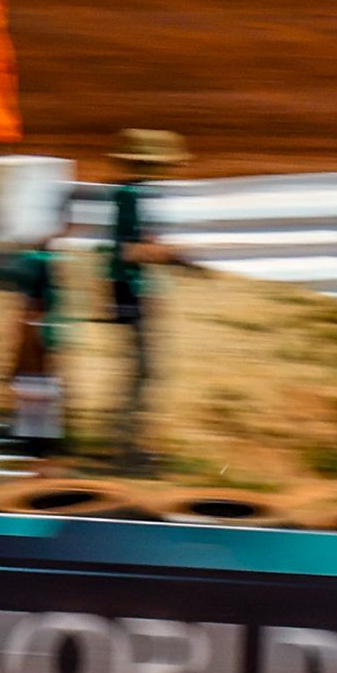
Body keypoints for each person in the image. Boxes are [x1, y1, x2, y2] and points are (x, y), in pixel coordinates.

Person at [97, 127, 188, 472]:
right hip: (130, 289)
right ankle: (126, 449)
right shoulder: (130, 196)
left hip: (136, 288)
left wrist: (168, 255)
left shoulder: (136, 195)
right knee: (142, 371)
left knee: (143, 371)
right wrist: (167, 253)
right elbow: (128, 250)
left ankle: (130, 444)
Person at [0, 221, 71, 465]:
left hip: (38, 315)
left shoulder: (39, 257)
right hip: (37, 315)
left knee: (37, 375)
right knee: (36, 375)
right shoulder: (39, 258)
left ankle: (34, 437)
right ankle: (34, 438)